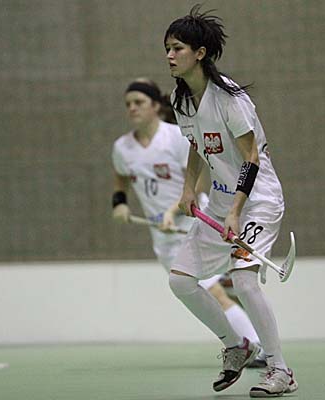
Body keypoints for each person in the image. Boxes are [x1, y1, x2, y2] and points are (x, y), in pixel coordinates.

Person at [164, 6, 298, 398]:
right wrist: (189, 188)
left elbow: (251, 158)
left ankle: (281, 371)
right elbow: (196, 145)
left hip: (258, 200)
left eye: (178, 48)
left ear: (200, 53)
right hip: (222, 203)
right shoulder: (180, 99)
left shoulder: (230, 99)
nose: (170, 55)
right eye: (167, 48)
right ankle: (236, 344)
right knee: (180, 280)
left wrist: (237, 211)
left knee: (243, 279)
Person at [110, 78, 265, 368]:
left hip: (196, 220)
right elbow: (121, 177)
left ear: (156, 106)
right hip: (164, 237)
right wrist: (119, 202)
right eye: (128, 104)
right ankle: (250, 344)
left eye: (139, 102)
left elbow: (199, 180)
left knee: (216, 292)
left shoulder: (176, 137)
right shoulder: (122, 147)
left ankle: (253, 348)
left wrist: (173, 210)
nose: (132, 108)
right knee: (212, 290)